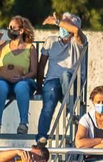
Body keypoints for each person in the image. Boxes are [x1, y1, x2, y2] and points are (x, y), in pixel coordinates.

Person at [0, 15, 41, 135]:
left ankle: (23, 124)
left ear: (21, 31)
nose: (9, 29)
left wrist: (22, 77)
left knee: (21, 87)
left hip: (22, 80)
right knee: (0, 86)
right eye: (8, 27)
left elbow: (33, 72)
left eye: (12, 27)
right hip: (4, 78)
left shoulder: (30, 48)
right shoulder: (5, 45)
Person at [36, 12, 86, 140]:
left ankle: (70, 111)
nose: (63, 27)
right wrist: (39, 87)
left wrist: (56, 21)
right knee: (48, 105)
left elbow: (75, 30)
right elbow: (41, 65)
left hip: (72, 82)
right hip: (52, 81)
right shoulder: (51, 41)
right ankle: (41, 136)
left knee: (65, 74)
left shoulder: (78, 41)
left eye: (66, 24)